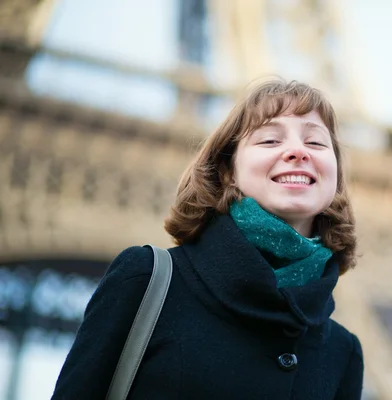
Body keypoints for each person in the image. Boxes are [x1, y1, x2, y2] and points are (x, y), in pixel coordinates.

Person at [52, 79, 364, 399]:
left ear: (335, 173)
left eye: (315, 143)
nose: (297, 151)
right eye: (270, 140)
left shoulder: (343, 352)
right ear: (228, 170)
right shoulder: (145, 280)